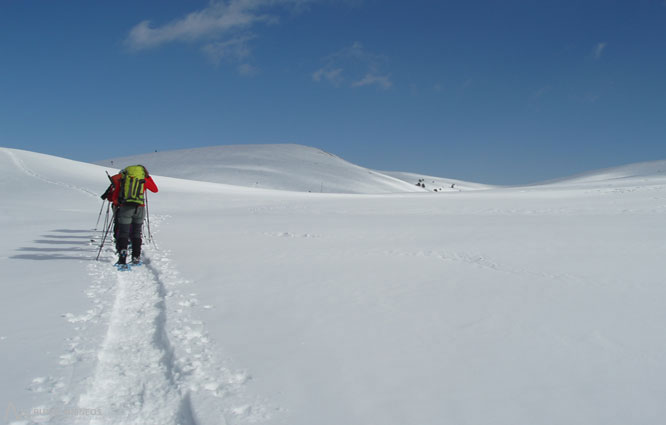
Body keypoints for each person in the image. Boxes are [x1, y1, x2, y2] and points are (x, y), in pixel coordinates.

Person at [101, 165, 158, 266]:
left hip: (125, 208)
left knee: (123, 233)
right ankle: (136, 257)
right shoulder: (143, 178)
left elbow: (114, 197)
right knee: (136, 233)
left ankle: (122, 258)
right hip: (140, 208)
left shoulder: (124, 179)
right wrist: (147, 177)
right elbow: (155, 189)